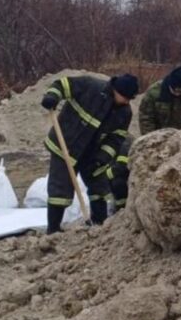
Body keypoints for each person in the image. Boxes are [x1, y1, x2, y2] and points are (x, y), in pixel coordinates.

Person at [41, 74, 138, 232]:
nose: (127, 102)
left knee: (99, 187)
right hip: (66, 145)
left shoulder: (124, 112)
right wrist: (52, 96)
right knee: (60, 189)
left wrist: (102, 158)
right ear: (117, 90)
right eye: (125, 97)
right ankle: (53, 230)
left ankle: (99, 225)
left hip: (92, 154)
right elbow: (62, 84)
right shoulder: (90, 86)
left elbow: (116, 138)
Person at [138, 66, 181, 135]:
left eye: (180, 92)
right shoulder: (154, 93)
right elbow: (146, 118)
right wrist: (151, 137)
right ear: (169, 85)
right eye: (174, 91)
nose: (177, 94)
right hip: (159, 135)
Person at [91, 135, 132, 221]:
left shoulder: (123, 143)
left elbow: (121, 167)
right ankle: (97, 219)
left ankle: (121, 209)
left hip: (123, 178)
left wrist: (104, 176)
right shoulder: (102, 143)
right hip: (109, 177)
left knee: (117, 183)